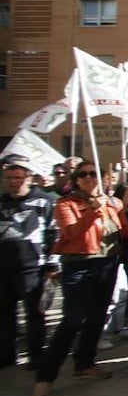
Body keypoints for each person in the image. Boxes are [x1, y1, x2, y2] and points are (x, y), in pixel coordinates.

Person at [33, 161, 128, 396]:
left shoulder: (113, 204)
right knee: (73, 319)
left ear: (104, 179)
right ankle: (46, 375)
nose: (88, 177)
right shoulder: (65, 204)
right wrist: (94, 209)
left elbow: (124, 233)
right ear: (75, 180)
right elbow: (73, 234)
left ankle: (85, 364)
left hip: (107, 264)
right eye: (83, 174)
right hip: (79, 265)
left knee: (96, 316)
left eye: (94, 173)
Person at [0, 155, 58, 369]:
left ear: (29, 178)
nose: (12, 182)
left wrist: (52, 264)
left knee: (35, 314)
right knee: (5, 314)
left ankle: (36, 355)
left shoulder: (45, 200)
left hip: (33, 269)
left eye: (17, 177)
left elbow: (55, 233)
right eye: (8, 178)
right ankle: (6, 355)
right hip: (3, 269)